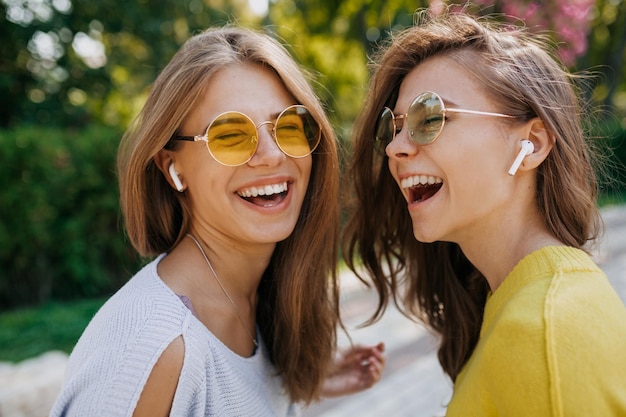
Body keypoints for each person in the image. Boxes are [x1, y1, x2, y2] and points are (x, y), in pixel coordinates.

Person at [50, 26, 384, 417]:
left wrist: (286, 383)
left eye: (290, 126)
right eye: (230, 135)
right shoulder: (153, 347)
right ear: (172, 166)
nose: (272, 155)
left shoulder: (257, 303)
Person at [342, 10, 626, 416]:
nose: (394, 147)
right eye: (395, 126)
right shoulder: (517, 302)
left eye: (431, 117)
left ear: (531, 144)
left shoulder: (546, 333)